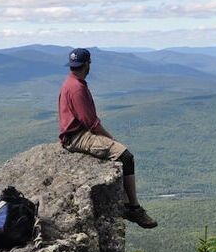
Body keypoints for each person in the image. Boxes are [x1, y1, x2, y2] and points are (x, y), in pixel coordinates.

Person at [58, 48, 157, 228]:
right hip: (77, 136)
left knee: (121, 155)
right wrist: (112, 140)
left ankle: (127, 202)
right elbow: (91, 123)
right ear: (87, 64)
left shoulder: (70, 83)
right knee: (125, 156)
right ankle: (134, 208)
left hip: (75, 134)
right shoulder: (77, 88)